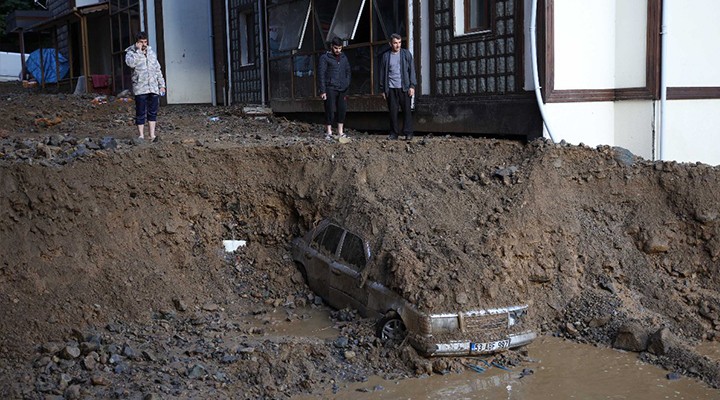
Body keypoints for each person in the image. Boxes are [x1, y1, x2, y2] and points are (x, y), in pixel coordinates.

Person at [125, 31, 166, 141]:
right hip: (140, 88)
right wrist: (138, 52)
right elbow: (131, 64)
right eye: (141, 42)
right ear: (137, 42)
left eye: (145, 42)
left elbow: (157, 69)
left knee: (152, 111)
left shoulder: (151, 53)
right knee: (140, 111)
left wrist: (162, 85)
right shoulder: (130, 53)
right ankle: (141, 135)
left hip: (153, 87)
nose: (144, 44)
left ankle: (152, 135)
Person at [379, 33, 417, 140]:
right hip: (391, 88)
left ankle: (408, 133)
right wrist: (382, 89)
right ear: (390, 43)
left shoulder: (406, 54)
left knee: (407, 111)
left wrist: (412, 86)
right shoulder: (386, 56)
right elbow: (382, 73)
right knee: (393, 112)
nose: (398, 45)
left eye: (399, 42)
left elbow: (412, 71)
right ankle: (394, 133)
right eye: (395, 43)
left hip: (404, 87)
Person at [318, 37, 351, 140]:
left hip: (342, 88)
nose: (338, 50)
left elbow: (348, 71)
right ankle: (329, 132)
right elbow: (321, 74)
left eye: (340, 48)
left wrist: (346, 83)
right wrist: (322, 90)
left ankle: (340, 132)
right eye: (336, 48)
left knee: (342, 109)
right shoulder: (324, 58)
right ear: (332, 46)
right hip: (330, 87)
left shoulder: (344, 58)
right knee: (329, 110)